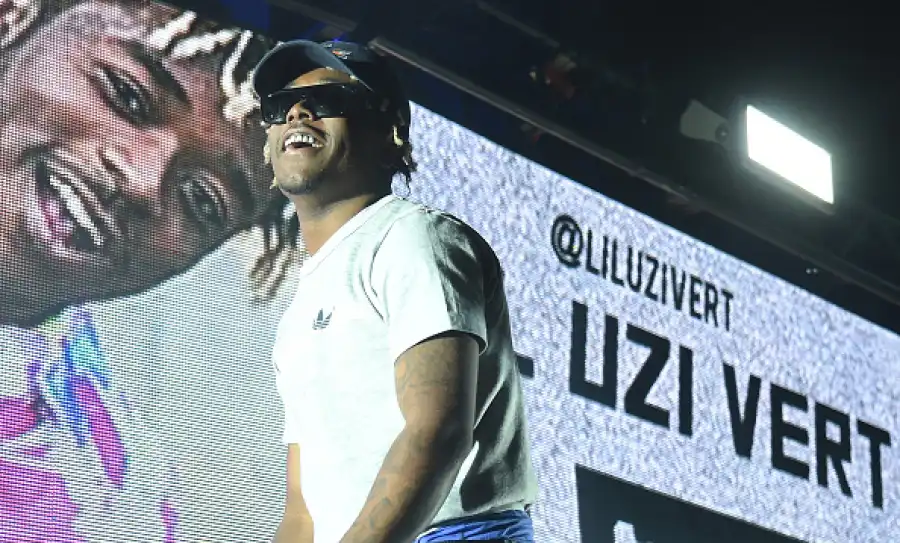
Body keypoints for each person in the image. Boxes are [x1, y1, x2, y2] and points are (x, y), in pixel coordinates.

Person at [0, 1, 291, 540]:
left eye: (204, 201)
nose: (144, 179)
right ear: (12, 17)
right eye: (127, 95)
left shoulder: (103, 504)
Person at [254, 40, 539, 543]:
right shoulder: (297, 314)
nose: (296, 113)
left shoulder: (413, 236)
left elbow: (437, 431)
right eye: (280, 106)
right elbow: (302, 510)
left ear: (392, 133)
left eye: (328, 99)